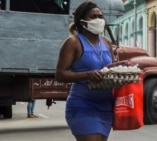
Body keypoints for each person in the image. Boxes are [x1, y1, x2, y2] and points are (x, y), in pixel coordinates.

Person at [55, 1, 117, 141]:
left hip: (105, 107)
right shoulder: (73, 42)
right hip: (83, 105)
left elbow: (111, 70)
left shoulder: (106, 43)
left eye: (100, 16)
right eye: (93, 17)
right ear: (82, 21)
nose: (98, 20)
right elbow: (60, 74)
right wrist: (87, 75)